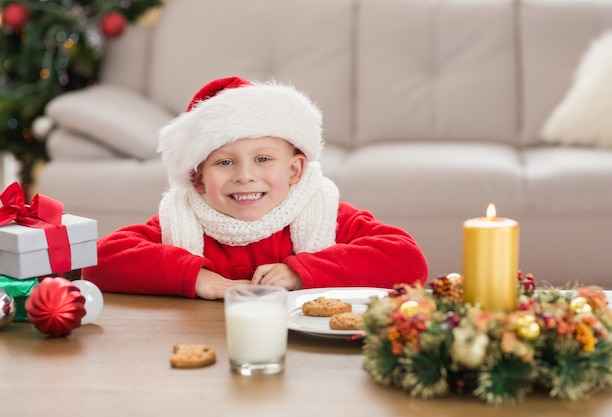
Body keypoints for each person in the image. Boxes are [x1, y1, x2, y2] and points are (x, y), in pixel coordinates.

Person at [82, 76, 428, 299]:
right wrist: (196, 277)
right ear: (198, 179)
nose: (245, 176)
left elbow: (408, 260)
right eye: (224, 162)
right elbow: (97, 262)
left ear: (294, 170)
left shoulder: (320, 209)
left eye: (263, 159)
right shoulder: (183, 218)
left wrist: (300, 271)